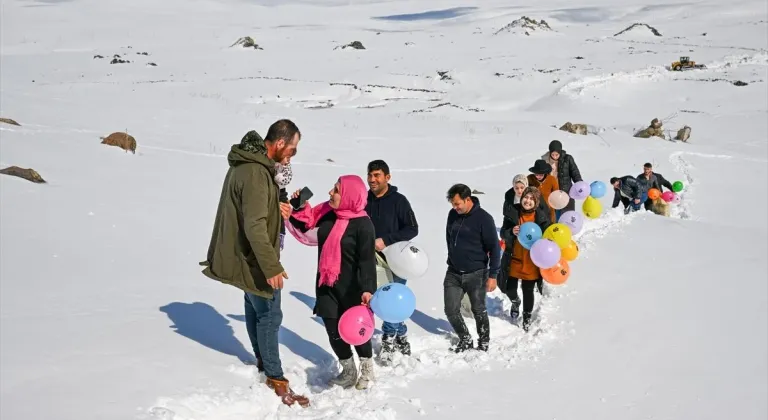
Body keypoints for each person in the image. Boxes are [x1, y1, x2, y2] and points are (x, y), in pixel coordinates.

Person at [199, 120, 308, 407]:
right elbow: (255, 225)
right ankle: (276, 378)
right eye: (292, 150)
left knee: (255, 305)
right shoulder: (257, 173)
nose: (291, 156)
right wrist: (271, 267)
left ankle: (264, 364)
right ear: (280, 143)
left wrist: (277, 207)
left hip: (246, 254)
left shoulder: (247, 164)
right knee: (270, 314)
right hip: (256, 256)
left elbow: (254, 209)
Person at [287, 175, 377, 390]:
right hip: (327, 283)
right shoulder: (329, 213)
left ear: (349, 195)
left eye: (336, 190)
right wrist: (299, 206)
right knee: (332, 329)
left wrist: (367, 290)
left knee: (357, 331)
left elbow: (367, 261)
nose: (330, 193)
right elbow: (306, 226)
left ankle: (366, 368)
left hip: (353, 288)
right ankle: (348, 370)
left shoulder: (364, 225)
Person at [364, 159, 419, 363]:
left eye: (377, 175)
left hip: (398, 258)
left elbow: (412, 228)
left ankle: (394, 335)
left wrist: (386, 240)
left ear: (388, 177)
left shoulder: (399, 201)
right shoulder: (364, 199)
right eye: (370, 175)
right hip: (373, 259)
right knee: (384, 298)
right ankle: (395, 334)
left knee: (395, 298)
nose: (372, 179)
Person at [444, 184, 501, 353]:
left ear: (467, 199)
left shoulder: (484, 219)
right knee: (450, 310)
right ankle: (465, 338)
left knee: (478, 309)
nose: (455, 207)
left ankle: (484, 342)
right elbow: (449, 237)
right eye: (453, 204)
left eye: (457, 204)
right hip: (453, 272)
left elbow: (494, 248)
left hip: (476, 273)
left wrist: (493, 275)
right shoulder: (452, 215)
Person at [498, 187, 552, 331]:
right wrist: (510, 231)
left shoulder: (541, 217)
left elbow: (549, 234)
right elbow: (503, 232)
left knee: (528, 291)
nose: (527, 201)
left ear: (536, 202)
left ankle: (527, 317)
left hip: (531, 262)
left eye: (531, 199)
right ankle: (515, 302)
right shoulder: (512, 213)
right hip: (514, 259)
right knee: (509, 288)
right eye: (526, 198)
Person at [542, 140, 582, 217]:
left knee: (567, 214)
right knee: (553, 215)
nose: (554, 156)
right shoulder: (545, 161)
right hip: (552, 192)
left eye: (556, 154)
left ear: (560, 152)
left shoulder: (567, 159)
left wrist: (579, 183)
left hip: (566, 190)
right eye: (552, 154)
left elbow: (574, 172)